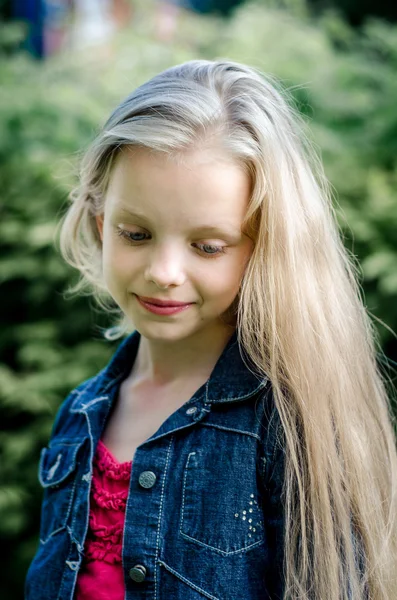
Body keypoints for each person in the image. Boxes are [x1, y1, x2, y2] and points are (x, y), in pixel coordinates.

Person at [25, 59, 397, 600]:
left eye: (207, 246)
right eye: (135, 233)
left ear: (264, 246)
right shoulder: (80, 415)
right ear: (102, 223)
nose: (163, 272)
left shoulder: (295, 425)